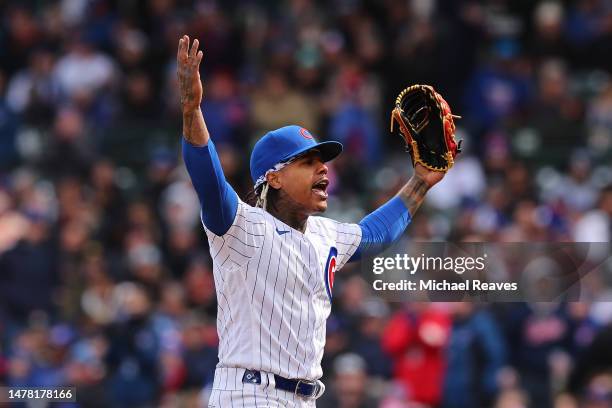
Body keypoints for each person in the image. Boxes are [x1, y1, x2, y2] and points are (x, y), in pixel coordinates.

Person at [176, 35, 447, 407]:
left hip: (304, 399)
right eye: (307, 162)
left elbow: (376, 234)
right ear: (273, 177)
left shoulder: (326, 233)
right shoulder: (242, 227)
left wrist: (420, 182)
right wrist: (192, 112)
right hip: (248, 393)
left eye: (323, 161)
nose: (323, 169)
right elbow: (209, 180)